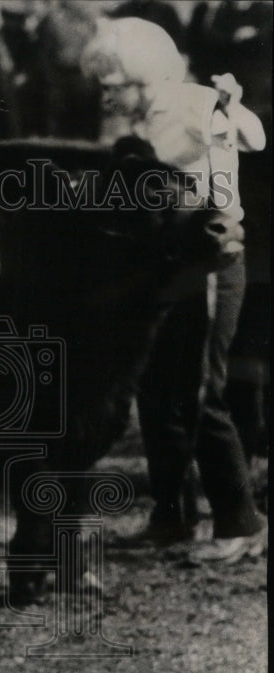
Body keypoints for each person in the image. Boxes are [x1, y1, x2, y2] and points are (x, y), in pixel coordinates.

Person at [82, 17, 267, 562]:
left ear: (144, 76)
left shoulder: (191, 103)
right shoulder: (137, 120)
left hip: (210, 262)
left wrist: (228, 107)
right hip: (166, 265)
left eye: (113, 83)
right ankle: (171, 517)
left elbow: (252, 137)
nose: (106, 93)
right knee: (155, 391)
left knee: (199, 394)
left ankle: (241, 522)